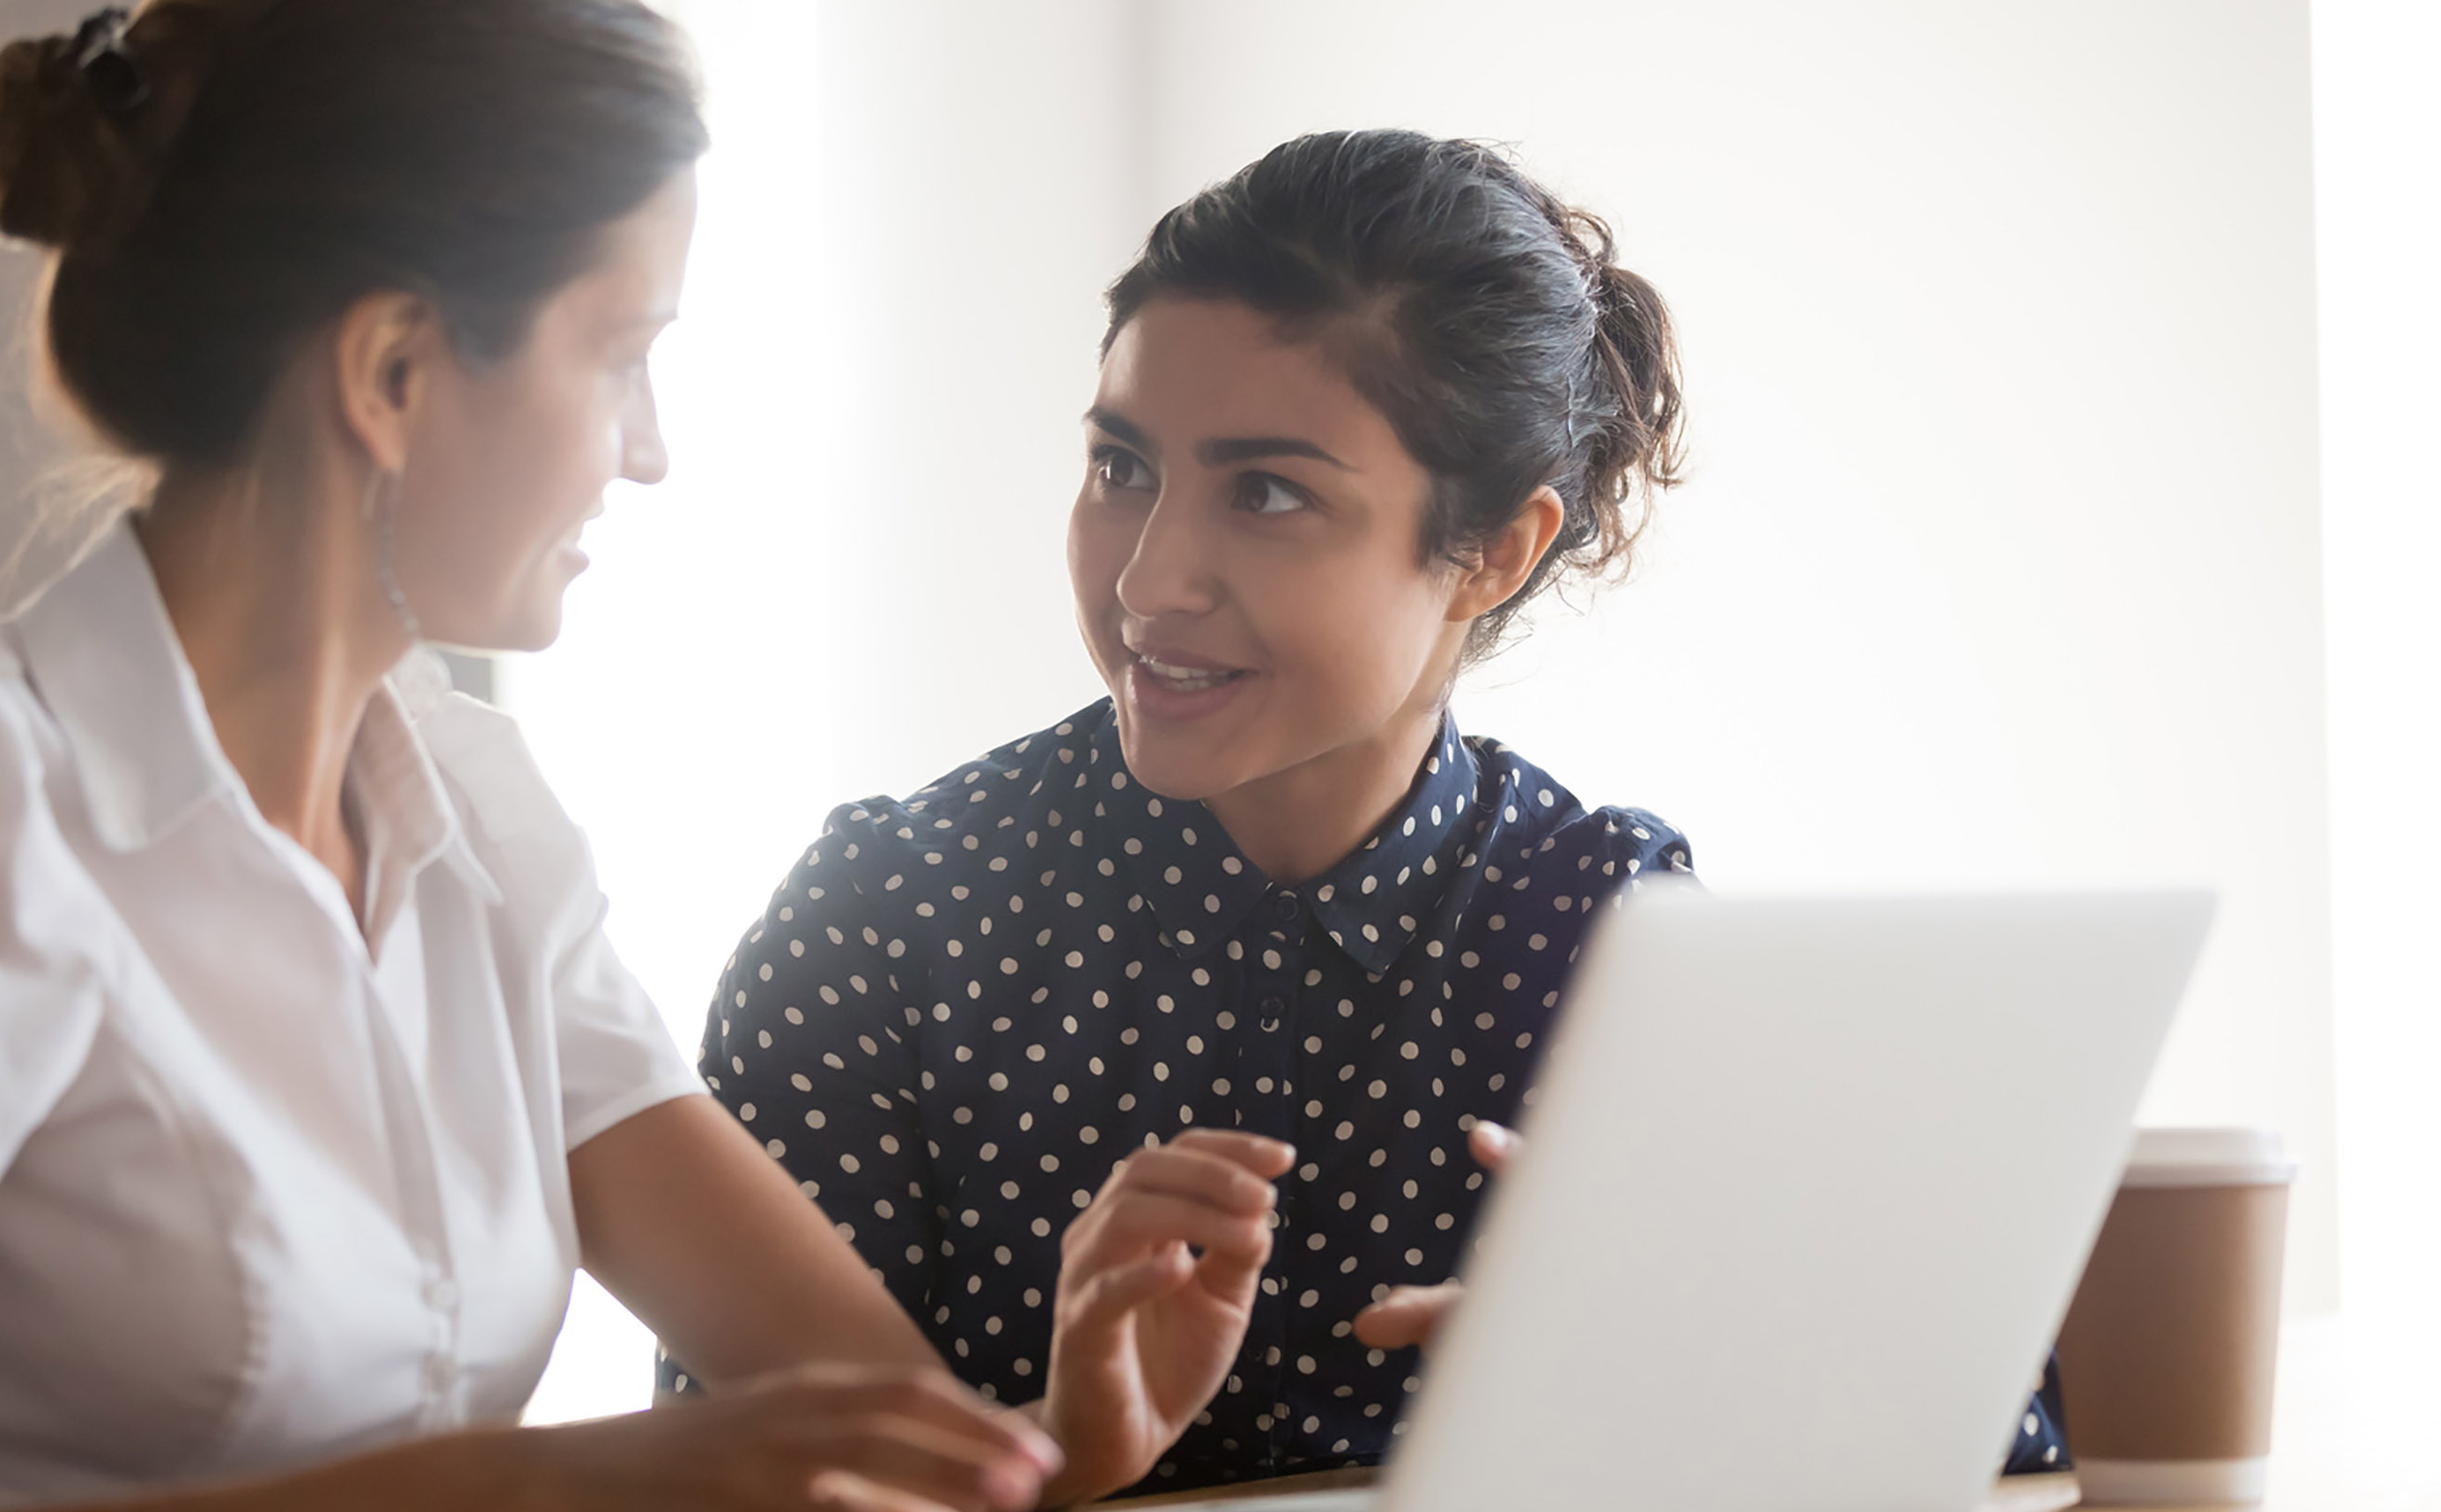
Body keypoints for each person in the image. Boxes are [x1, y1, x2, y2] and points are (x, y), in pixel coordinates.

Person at [0, 5, 1283, 1509]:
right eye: (622, 356)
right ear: (392, 372)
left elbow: (875, 1430)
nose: (649, 449)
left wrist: (1068, 1441)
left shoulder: (477, 819)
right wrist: (545, 1485)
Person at [700, 129, 2070, 1491]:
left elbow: (2001, 1434)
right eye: (1123, 467)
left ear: (1492, 553)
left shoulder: (1614, 934)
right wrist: (1057, 1451)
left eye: (1267, 493)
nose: (1150, 579)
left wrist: (1671, 1392)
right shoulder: (887, 922)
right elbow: (731, 1477)